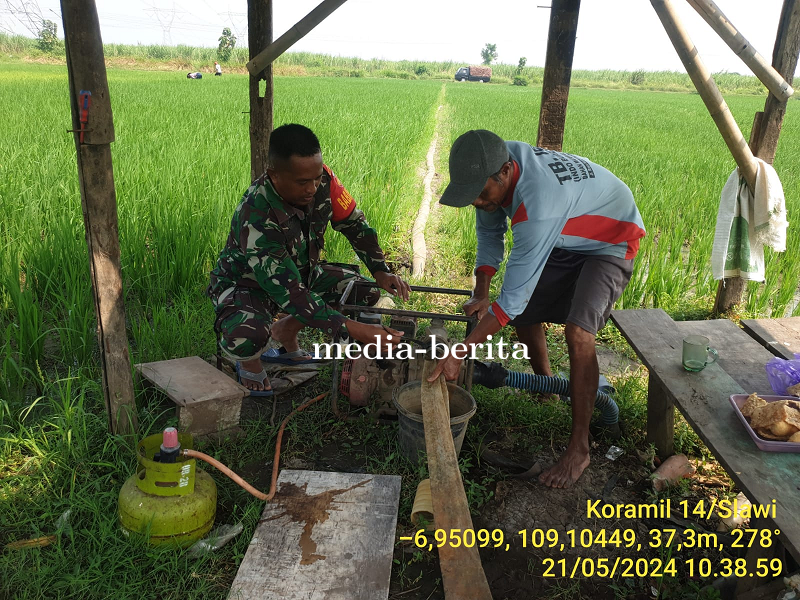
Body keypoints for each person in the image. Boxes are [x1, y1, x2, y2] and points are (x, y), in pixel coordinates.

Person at [429, 129, 645, 489]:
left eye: (483, 194)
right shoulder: (495, 162)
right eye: (473, 197)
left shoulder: (538, 203)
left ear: (506, 172)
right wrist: (481, 292)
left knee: (578, 335)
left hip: (611, 237)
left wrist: (461, 352)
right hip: (570, 231)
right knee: (526, 315)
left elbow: (512, 298)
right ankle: (546, 388)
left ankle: (580, 446)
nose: (479, 202)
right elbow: (489, 232)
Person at [208, 123, 410, 394]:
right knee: (249, 334)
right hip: (249, 286)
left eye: (316, 178)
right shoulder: (256, 214)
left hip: (301, 273)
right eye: (303, 182)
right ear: (274, 176)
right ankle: (249, 363)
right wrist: (352, 328)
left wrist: (380, 270)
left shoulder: (324, 180)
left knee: (362, 291)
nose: (312, 188)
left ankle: (285, 331)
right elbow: (290, 293)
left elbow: (354, 224)